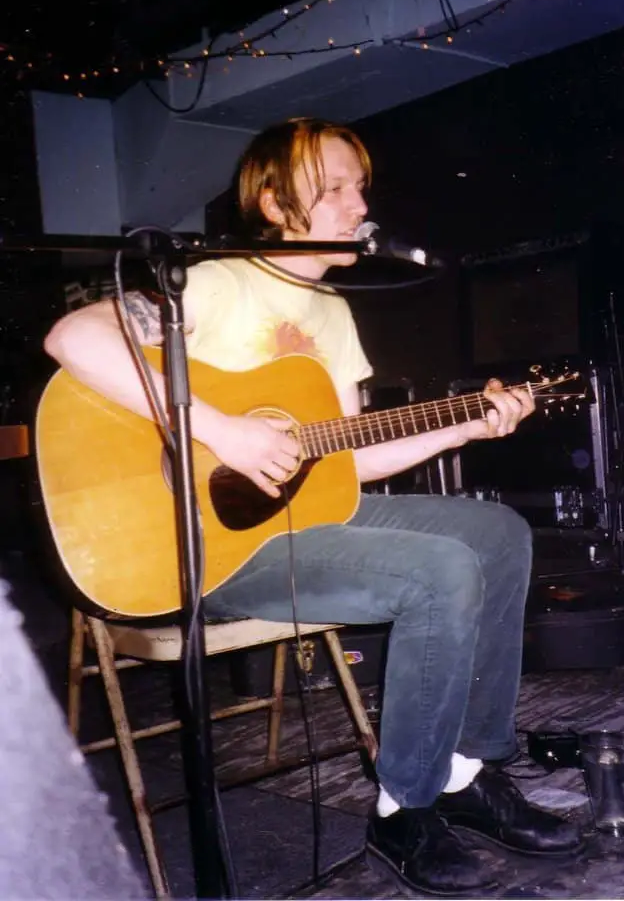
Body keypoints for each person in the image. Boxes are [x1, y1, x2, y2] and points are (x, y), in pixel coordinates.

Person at [44, 117, 583, 897]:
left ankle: (463, 770)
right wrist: (224, 431)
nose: (355, 203)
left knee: (495, 532)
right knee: (438, 571)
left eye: (359, 186)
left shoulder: (333, 314)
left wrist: (465, 420)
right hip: (209, 545)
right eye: (332, 188)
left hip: (311, 524)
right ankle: (403, 810)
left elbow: (350, 456)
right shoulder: (218, 281)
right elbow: (73, 337)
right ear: (271, 202)